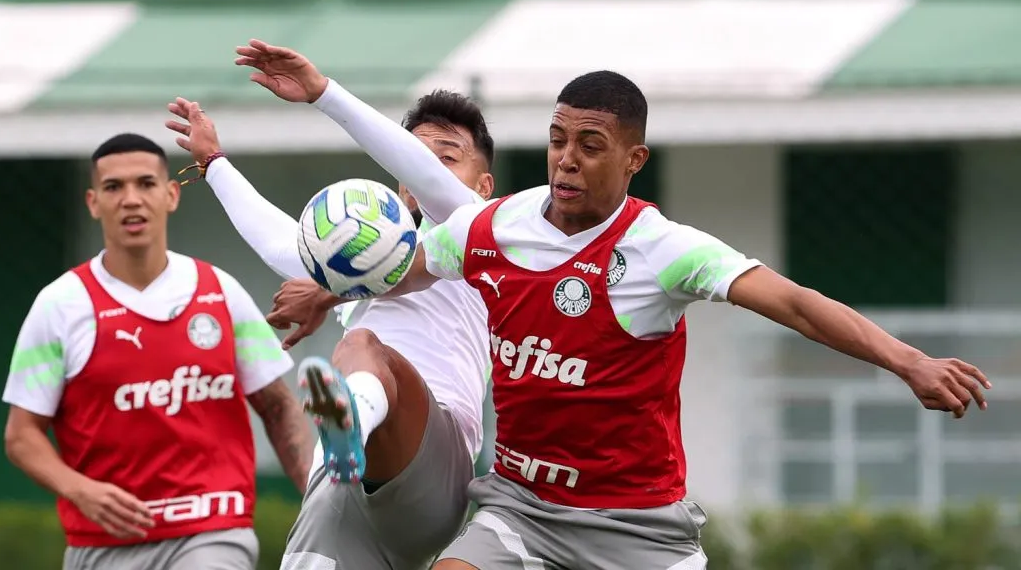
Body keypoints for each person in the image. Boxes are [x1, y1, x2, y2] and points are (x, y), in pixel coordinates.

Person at [261, 61, 994, 568]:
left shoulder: (662, 251)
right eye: (556, 141)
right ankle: (351, 417)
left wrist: (909, 361)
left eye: (590, 146)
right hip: (520, 508)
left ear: (633, 158)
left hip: (637, 526)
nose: (567, 160)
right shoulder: (493, 228)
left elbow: (796, 304)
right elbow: (401, 269)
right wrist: (330, 289)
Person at [164, 42, 496, 568]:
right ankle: (342, 440)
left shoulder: (483, 230)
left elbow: (422, 178)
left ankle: (348, 423)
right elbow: (284, 244)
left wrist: (324, 94)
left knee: (364, 345)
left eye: (447, 157)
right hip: (346, 489)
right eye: (414, 156)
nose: (426, 168)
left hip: (434, 468)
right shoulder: (360, 265)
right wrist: (214, 164)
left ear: (483, 185)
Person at [1, 134, 313, 570]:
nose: (131, 199)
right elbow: (21, 436)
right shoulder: (59, 305)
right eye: (114, 187)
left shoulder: (220, 292)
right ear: (93, 202)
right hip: (103, 543)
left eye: (146, 184)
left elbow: (278, 407)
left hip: (213, 529)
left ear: (170, 195)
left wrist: (319, 500)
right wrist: (80, 490)